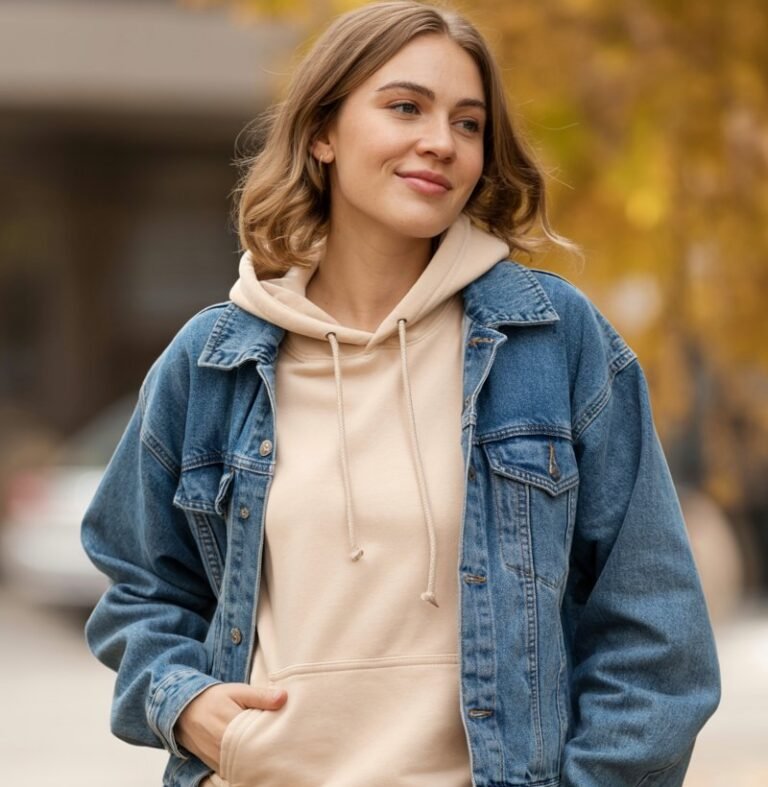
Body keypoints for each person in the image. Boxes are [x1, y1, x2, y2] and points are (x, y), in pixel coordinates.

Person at [81, 2, 721, 786]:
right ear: (323, 131)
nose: (441, 142)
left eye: (468, 123)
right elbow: (140, 585)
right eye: (406, 107)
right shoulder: (212, 360)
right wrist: (182, 701)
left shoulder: (555, 343)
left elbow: (656, 637)